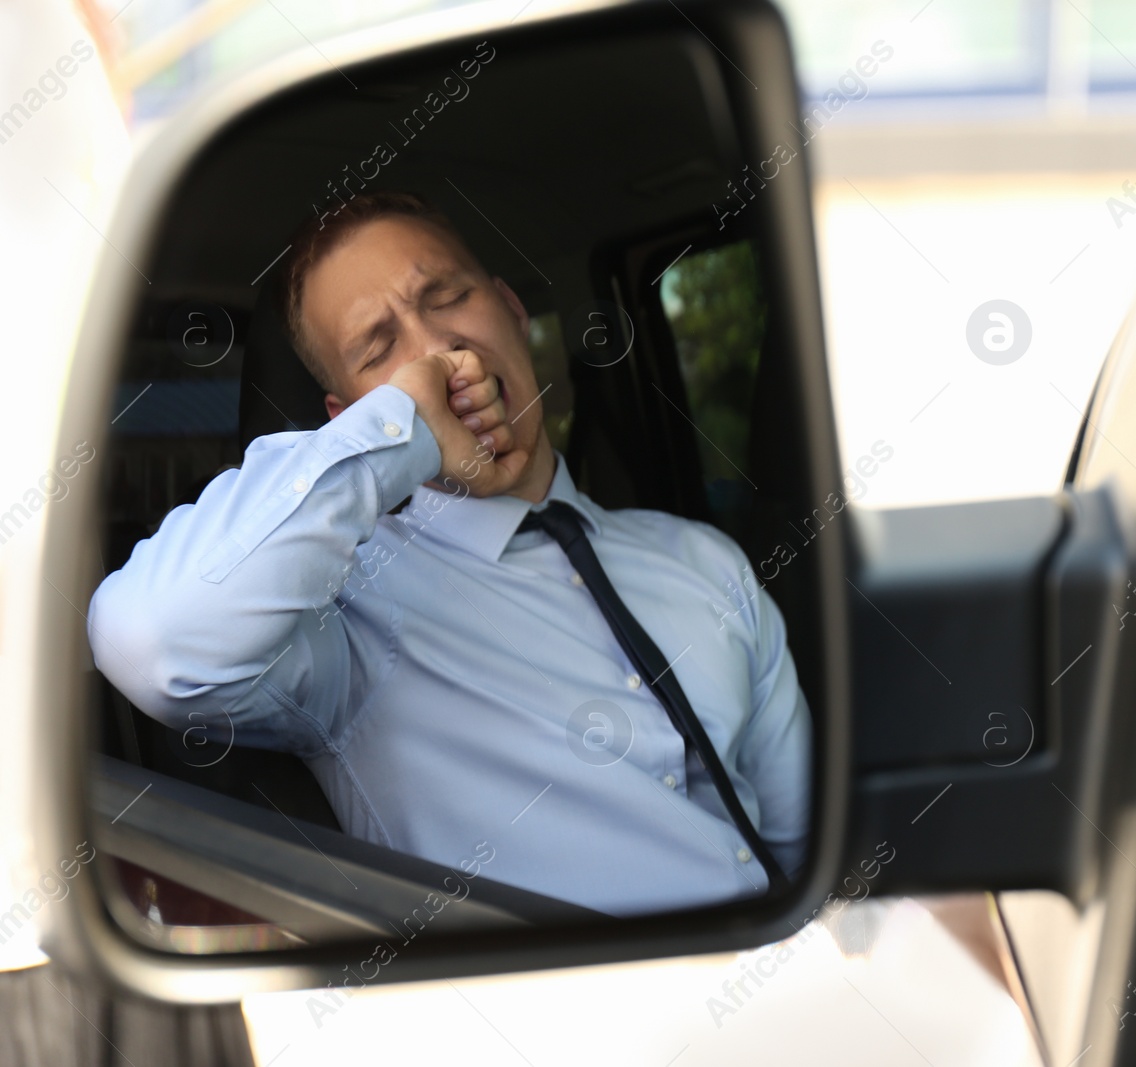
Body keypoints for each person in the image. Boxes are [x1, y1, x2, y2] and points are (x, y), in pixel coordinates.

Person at [87, 192, 810, 918]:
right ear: (353, 416)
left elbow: (804, 843)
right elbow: (151, 638)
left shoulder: (707, 562)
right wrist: (405, 429)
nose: (437, 349)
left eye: (447, 296)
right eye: (379, 348)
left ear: (512, 312)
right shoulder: (346, 619)